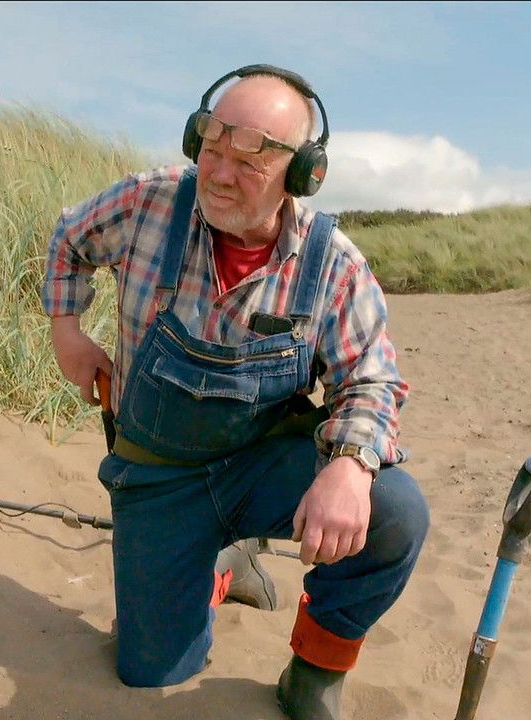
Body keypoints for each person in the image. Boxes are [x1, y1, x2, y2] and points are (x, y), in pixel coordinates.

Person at [40, 64, 429, 720]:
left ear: (301, 175)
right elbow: (69, 239)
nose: (218, 174)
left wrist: (350, 468)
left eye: (247, 161)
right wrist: (66, 328)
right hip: (157, 478)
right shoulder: (149, 204)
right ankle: (224, 560)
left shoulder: (333, 263)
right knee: (147, 671)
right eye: (210, 148)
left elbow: (373, 378)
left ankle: (315, 673)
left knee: (394, 510)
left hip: (262, 464)